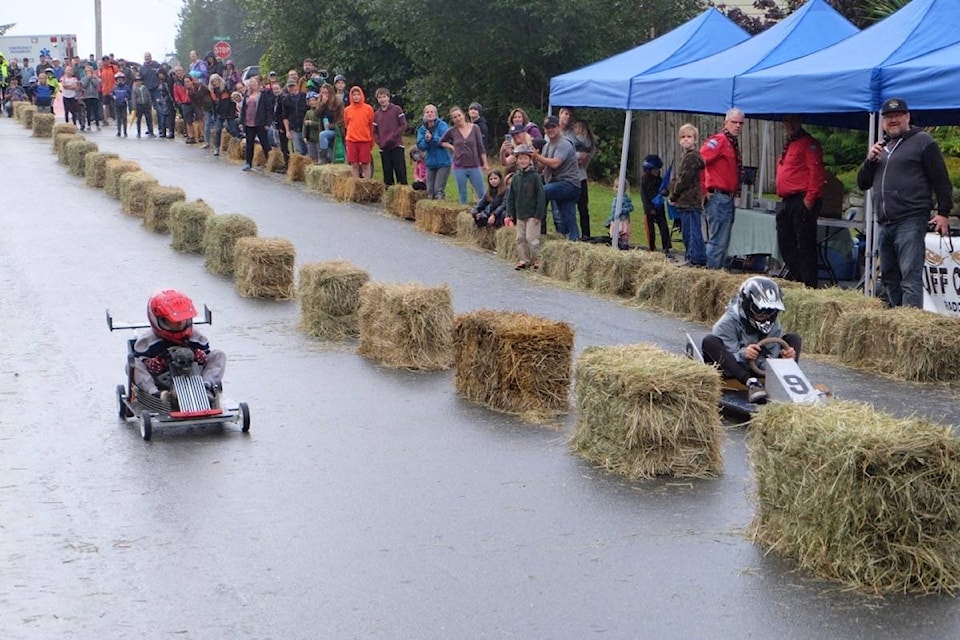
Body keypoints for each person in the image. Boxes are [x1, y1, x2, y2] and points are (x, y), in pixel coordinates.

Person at [857, 97, 953, 308]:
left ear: (907, 117)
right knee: (890, 276)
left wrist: (943, 212)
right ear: (882, 121)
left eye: (897, 116)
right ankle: (897, 318)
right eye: (889, 117)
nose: (893, 120)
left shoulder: (923, 142)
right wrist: (868, 161)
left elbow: (941, 180)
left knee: (910, 276)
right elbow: (862, 183)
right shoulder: (881, 147)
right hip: (883, 222)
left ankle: (909, 321)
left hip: (910, 219)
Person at [700, 276, 801, 404]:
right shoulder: (727, 323)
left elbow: (769, 356)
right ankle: (751, 384)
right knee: (710, 341)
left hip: (759, 367)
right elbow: (729, 358)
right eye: (760, 310)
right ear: (747, 305)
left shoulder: (773, 324)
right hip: (734, 370)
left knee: (794, 339)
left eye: (770, 311)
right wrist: (744, 354)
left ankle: (788, 382)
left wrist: (784, 358)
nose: (765, 316)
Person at [130, 289, 226, 403]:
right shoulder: (147, 341)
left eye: (182, 319)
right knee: (133, 364)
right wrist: (157, 362)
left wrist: (200, 355)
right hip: (162, 380)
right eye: (174, 321)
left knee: (219, 355)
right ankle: (156, 394)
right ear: (160, 320)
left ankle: (205, 388)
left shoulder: (196, 336)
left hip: (193, 375)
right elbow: (142, 362)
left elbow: (207, 356)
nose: (180, 324)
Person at [775, 115, 825, 289]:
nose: (789, 125)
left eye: (792, 121)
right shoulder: (791, 143)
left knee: (805, 244)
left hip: (801, 199)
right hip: (788, 200)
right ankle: (799, 278)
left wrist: (809, 200)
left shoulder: (807, 143)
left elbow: (816, 171)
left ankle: (809, 284)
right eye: (787, 122)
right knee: (785, 243)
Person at [701, 108, 744, 269]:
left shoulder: (731, 143)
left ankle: (716, 275)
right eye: (734, 122)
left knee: (722, 243)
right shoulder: (720, 141)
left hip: (727, 197)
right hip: (718, 197)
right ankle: (710, 278)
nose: (738, 126)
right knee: (717, 243)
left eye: (741, 123)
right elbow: (699, 162)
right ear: (726, 122)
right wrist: (703, 189)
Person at [535, 115, 581, 241]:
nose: (550, 130)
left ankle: (538, 223)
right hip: (559, 184)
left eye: (553, 127)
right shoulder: (547, 146)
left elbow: (556, 163)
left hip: (569, 184)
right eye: (547, 127)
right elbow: (541, 167)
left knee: (541, 192)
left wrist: (538, 157)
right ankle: (574, 242)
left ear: (559, 127)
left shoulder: (564, 143)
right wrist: (533, 157)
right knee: (568, 218)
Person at [671, 123, 707, 267]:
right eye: (683, 137)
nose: (686, 139)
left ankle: (695, 258)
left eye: (689, 137)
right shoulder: (687, 156)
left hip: (690, 200)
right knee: (688, 231)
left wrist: (674, 195)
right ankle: (691, 256)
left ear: (695, 139)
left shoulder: (691, 157)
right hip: (686, 201)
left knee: (691, 232)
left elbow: (684, 179)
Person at [507, 144, 547, 270]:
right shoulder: (516, 178)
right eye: (520, 158)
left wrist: (539, 214)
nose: (522, 161)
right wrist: (510, 212)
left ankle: (536, 259)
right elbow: (511, 196)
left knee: (532, 238)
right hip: (520, 213)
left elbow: (541, 196)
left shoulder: (535, 177)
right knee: (520, 238)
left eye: (525, 158)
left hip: (533, 214)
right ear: (517, 160)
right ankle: (524, 259)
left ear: (530, 160)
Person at [559, 107, 596, 239]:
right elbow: (560, 154)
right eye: (565, 114)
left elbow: (588, 145)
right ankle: (566, 233)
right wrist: (578, 155)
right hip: (564, 176)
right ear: (560, 114)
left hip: (580, 175)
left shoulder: (573, 133)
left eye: (570, 115)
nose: (567, 117)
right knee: (566, 207)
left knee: (583, 207)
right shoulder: (554, 133)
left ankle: (586, 235)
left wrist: (585, 156)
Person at [441, 106, 488, 205]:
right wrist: (451, 147)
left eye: (459, 115)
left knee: (481, 192)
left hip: (474, 164)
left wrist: (485, 163)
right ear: (453, 119)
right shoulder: (452, 131)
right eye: (455, 117)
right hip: (459, 166)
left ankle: (485, 212)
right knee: (462, 193)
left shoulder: (475, 128)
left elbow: (481, 147)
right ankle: (464, 211)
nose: (458, 118)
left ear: (463, 115)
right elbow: (441, 142)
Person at [373, 87, 408, 186]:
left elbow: (403, 125)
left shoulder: (396, 109)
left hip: (396, 146)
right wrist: (379, 142)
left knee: (400, 171)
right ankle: (389, 194)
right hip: (384, 148)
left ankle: (403, 195)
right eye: (380, 97)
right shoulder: (377, 114)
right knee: (387, 173)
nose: (382, 99)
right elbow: (374, 131)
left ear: (388, 97)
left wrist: (393, 137)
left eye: (384, 97)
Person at [416, 104, 451, 200]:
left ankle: (441, 206)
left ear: (436, 114)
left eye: (432, 112)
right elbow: (420, 146)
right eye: (427, 112)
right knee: (430, 191)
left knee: (438, 190)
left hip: (443, 161)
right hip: (430, 162)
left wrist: (433, 138)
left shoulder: (442, 125)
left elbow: (445, 140)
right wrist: (427, 141)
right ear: (424, 115)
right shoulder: (422, 129)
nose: (430, 114)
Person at [640, 154, 673, 255]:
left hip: (659, 208)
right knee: (650, 230)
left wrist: (665, 192)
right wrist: (649, 208)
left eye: (658, 169)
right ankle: (652, 248)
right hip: (649, 209)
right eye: (655, 169)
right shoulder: (644, 181)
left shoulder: (659, 180)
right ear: (649, 170)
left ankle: (666, 247)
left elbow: (665, 191)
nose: (657, 171)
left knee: (664, 228)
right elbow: (644, 196)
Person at [240, 76, 274, 171]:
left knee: (265, 143)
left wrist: (268, 123)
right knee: (249, 143)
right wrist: (241, 122)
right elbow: (243, 109)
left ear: (258, 84)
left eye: (255, 82)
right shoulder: (247, 95)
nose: (253, 84)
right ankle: (248, 163)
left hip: (260, 122)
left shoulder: (263, 95)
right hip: (248, 123)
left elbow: (268, 109)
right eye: (251, 82)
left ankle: (270, 162)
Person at [343, 85, 375, 179]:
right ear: (351, 96)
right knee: (354, 164)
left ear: (361, 95)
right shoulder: (347, 110)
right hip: (352, 140)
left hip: (365, 140)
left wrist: (371, 141)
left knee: (366, 163)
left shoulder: (368, 109)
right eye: (354, 95)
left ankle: (367, 182)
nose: (356, 97)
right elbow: (346, 124)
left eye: (358, 94)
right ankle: (356, 183)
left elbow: (371, 125)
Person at [315, 82, 343, 164]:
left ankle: (323, 158)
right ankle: (326, 158)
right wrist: (322, 104)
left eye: (326, 92)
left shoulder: (338, 103)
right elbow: (317, 114)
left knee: (323, 135)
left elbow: (341, 120)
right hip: (325, 128)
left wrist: (331, 126)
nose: (324, 95)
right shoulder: (321, 103)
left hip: (336, 129)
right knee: (323, 134)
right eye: (323, 93)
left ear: (331, 93)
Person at [604, 177, 634, 251]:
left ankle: (624, 248)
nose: (616, 189)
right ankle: (616, 248)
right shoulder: (616, 199)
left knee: (623, 236)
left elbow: (630, 207)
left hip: (622, 221)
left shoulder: (625, 199)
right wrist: (610, 220)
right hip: (615, 220)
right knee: (615, 236)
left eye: (618, 187)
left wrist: (622, 211)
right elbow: (613, 212)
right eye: (616, 186)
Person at [302, 91, 322, 163]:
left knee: (320, 156)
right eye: (310, 101)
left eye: (314, 100)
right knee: (312, 157)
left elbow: (321, 125)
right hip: (310, 138)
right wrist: (304, 136)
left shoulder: (320, 111)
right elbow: (304, 125)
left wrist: (312, 123)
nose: (312, 102)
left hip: (318, 138)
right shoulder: (308, 112)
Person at [111, 72, 130, 137]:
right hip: (117, 105)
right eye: (118, 79)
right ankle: (119, 131)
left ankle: (125, 132)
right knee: (118, 118)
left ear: (123, 79)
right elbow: (111, 93)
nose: (119, 80)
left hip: (124, 104)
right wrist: (113, 96)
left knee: (124, 118)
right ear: (116, 80)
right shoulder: (114, 87)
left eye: (121, 79)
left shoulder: (126, 87)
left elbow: (130, 94)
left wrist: (127, 98)